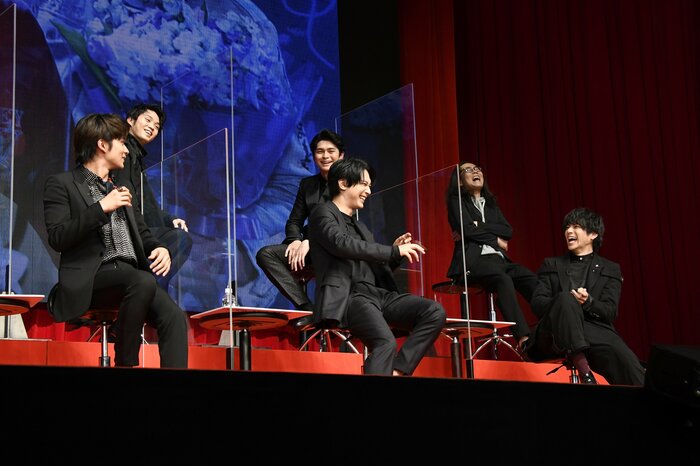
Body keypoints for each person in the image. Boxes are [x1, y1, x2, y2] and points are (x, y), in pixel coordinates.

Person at [43, 113, 188, 368]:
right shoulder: (62, 184)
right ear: (102, 144)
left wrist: (159, 247)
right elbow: (58, 237)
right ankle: (125, 365)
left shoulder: (120, 190)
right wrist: (101, 208)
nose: (126, 149)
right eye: (121, 142)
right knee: (142, 280)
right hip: (94, 278)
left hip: (132, 277)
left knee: (174, 317)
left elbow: (142, 232)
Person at [309, 157, 446, 375]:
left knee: (434, 311)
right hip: (350, 296)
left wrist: (394, 255)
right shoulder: (322, 212)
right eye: (364, 184)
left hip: (377, 295)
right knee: (385, 343)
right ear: (343, 183)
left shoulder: (361, 226)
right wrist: (393, 251)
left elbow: (372, 265)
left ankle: (398, 371)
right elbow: (341, 244)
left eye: (370, 186)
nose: (368, 191)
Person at [524, 207, 645, 385]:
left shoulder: (610, 269)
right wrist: (564, 305)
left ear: (593, 234)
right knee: (566, 299)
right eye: (567, 227)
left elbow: (610, 311)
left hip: (593, 330)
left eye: (576, 226)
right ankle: (585, 373)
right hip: (554, 331)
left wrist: (588, 302)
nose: (569, 231)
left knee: (629, 364)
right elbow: (537, 303)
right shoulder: (551, 264)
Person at [445, 162, 537, 350]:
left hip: (499, 260)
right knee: (502, 279)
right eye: (468, 170)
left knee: (529, 278)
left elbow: (508, 231)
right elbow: (466, 229)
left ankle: (553, 325)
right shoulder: (456, 200)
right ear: (460, 181)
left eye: (477, 168)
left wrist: (479, 225)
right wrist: (496, 241)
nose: (475, 171)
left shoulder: (491, 204)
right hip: (473, 262)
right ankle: (523, 339)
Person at [255, 129, 345, 311]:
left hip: (336, 247)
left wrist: (310, 241)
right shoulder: (307, 184)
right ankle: (305, 307)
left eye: (331, 151)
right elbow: (294, 220)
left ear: (341, 155)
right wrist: (295, 240)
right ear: (314, 156)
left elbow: (342, 223)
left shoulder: (348, 183)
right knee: (266, 254)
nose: (325, 156)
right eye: (320, 152)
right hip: (308, 248)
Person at [115, 103, 192, 292]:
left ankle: (149, 288)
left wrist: (169, 219)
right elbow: (127, 199)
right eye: (148, 120)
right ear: (130, 120)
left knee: (180, 238)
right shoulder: (124, 153)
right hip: (126, 229)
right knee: (180, 239)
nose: (152, 127)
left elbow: (146, 203)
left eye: (157, 126)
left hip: (138, 227)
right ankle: (148, 289)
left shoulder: (137, 157)